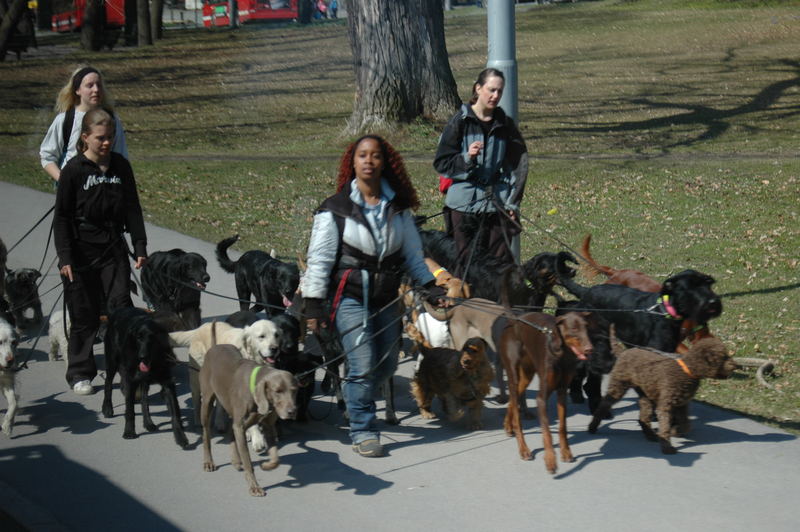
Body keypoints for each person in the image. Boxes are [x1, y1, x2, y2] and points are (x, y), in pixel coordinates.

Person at [303, 135, 445, 457]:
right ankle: (364, 429)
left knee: (386, 365)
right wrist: (313, 305)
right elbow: (320, 260)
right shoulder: (334, 209)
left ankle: (355, 399)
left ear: (385, 163)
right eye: (362, 155)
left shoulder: (398, 208)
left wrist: (432, 288)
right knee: (362, 363)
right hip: (349, 298)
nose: (368, 161)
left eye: (375, 156)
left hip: (385, 299)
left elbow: (413, 254)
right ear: (352, 163)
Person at [53, 108, 147, 395]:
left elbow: (132, 207)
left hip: (113, 247)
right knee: (84, 313)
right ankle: (80, 372)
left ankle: (126, 365)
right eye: (100, 138)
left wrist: (139, 245)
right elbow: (62, 217)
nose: (106, 143)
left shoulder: (120, 166)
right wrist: (66, 257)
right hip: (80, 251)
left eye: (110, 137)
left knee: (120, 307)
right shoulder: (73, 170)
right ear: (85, 138)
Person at [433, 67, 528, 273]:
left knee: (500, 266)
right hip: (463, 205)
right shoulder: (459, 122)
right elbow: (442, 163)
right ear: (478, 88)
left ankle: (499, 305)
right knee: (467, 268)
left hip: (497, 204)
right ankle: (465, 305)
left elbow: (520, 165)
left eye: (499, 91)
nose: (495, 96)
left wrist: (513, 202)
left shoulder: (505, 125)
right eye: (491, 90)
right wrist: (467, 158)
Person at [40, 65, 128, 184]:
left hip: (103, 191)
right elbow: (47, 156)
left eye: (99, 85)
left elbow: (121, 157)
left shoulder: (112, 120)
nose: (96, 89)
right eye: (89, 85)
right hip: (72, 194)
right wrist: (64, 180)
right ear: (77, 90)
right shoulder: (65, 120)